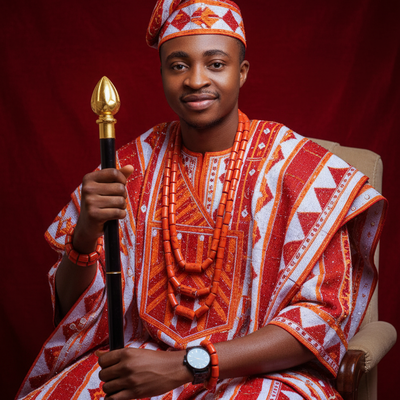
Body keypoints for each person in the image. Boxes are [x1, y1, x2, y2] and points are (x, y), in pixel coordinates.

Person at [17, 1, 386, 399]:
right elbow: (74, 311)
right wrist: (86, 233)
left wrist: (189, 364)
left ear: (241, 72)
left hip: (262, 374)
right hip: (145, 359)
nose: (195, 80)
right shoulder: (130, 166)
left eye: (215, 64)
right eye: (178, 65)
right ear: (162, 74)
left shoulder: (303, 173)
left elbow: (320, 319)